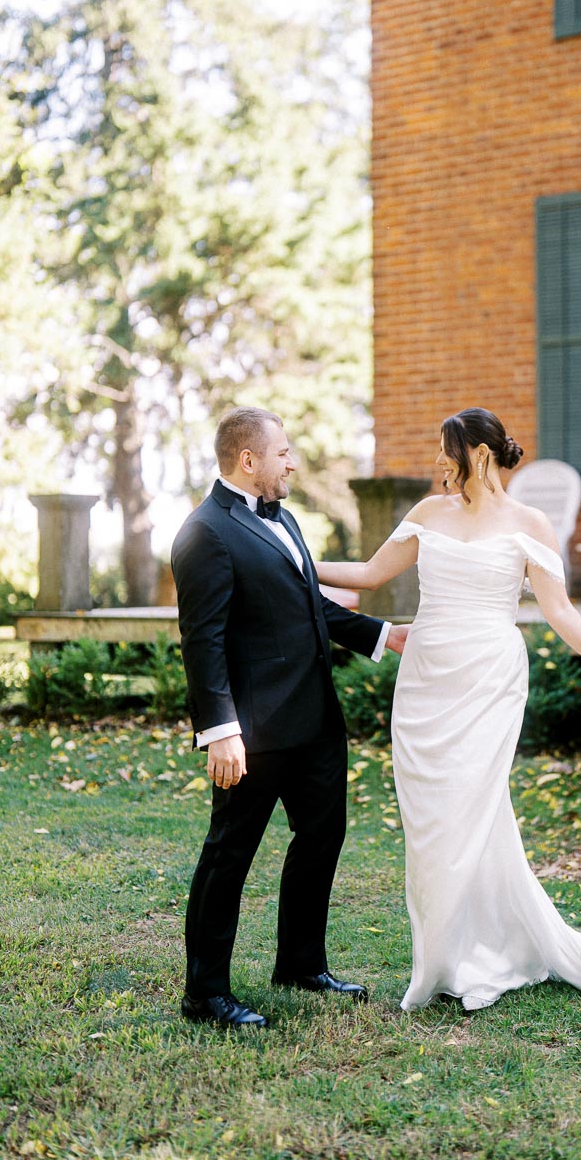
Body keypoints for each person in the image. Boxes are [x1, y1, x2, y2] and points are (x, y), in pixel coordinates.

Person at [315, 407, 581, 1025]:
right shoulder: (427, 514)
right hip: (426, 679)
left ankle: (462, 962)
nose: (436, 461)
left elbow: (558, 611)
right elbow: (370, 576)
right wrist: (290, 557)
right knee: (431, 824)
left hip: (488, 679)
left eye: (445, 449)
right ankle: (450, 954)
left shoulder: (530, 523)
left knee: (471, 808)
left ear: (477, 454)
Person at [171, 406, 408, 1029]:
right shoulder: (204, 533)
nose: (292, 463)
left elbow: (311, 608)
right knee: (230, 853)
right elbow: (203, 641)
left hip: (316, 720)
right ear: (248, 461)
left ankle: (301, 964)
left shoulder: (288, 519)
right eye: (283, 453)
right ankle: (205, 993)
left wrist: (387, 636)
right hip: (251, 734)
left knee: (322, 837)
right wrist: (220, 731)